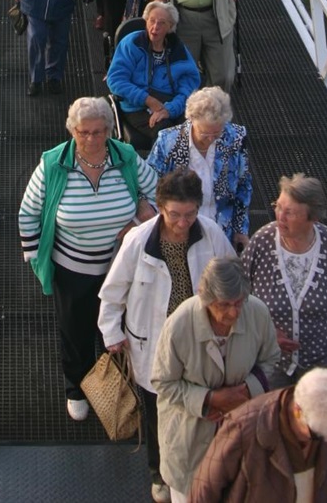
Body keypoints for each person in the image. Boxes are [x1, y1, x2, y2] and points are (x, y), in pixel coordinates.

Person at [99, 170, 236, 503]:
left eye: (190, 214)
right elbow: (113, 292)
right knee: (157, 410)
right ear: (160, 207)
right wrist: (111, 332)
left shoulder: (213, 234)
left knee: (201, 405)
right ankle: (159, 472)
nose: (182, 222)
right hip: (152, 342)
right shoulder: (138, 241)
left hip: (197, 341)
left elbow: (233, 279)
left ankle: (201, 466)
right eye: (174, 214)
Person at [18, 96, 158, 420]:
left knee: (118, 328)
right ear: (72, 132)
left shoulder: (125, 158)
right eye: (84, 132)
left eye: (98, 132)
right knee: (75, 330)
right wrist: (34, 258)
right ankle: (77, 387)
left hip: (118, 266)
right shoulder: (54, 164)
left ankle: (117, 384)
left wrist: (138, 222)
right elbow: (28, 213)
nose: (91, 139)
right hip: (72, 269)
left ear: (109, 131)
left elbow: (158, 191)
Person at [151, 257, 280, 503]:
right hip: (189, 442)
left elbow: (270, 358)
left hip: (242, 438)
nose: (233, 312)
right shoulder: (179, 324)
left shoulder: (257, 313)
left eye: (238, 303)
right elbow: (163, 382)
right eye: (224, 305)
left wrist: (244, 392)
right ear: (206, 298)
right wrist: (209, 399)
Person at [242, 173, 327, 388]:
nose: (280, 217)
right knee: (272, 417)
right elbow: (239, 295)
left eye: (290, 213)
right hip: (270, 360)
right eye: (278, 207)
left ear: (312, 217)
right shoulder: (261, 241)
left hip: (321, 362)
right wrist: (264, 332)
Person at [193, 367, 327, 503]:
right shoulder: (243, 427)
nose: (326, 441)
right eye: (317, 435)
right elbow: (205, 490)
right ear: (297, 410)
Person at [148, 87, 252, 250]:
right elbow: (151, 186)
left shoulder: (236, 137)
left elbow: (243, 185)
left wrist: (241, 229)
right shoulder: (168, 141)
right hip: (179, 229)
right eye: (204, 133)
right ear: (191, 120)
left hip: (221, 232)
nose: (211, 139)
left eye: (216, 133)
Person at [107, 1, 202, 147]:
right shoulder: (132, 43)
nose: (155, 27)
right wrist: (148, 100)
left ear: (170, 27)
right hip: (137, 105)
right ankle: (159, 169)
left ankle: (193, 169)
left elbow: (189, 88)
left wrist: (170, 109)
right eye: (152, 21)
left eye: (161, 23)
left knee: (199, 128)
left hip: (171, 102)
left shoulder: (178, 50)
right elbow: (115, 80)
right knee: (167, 133)